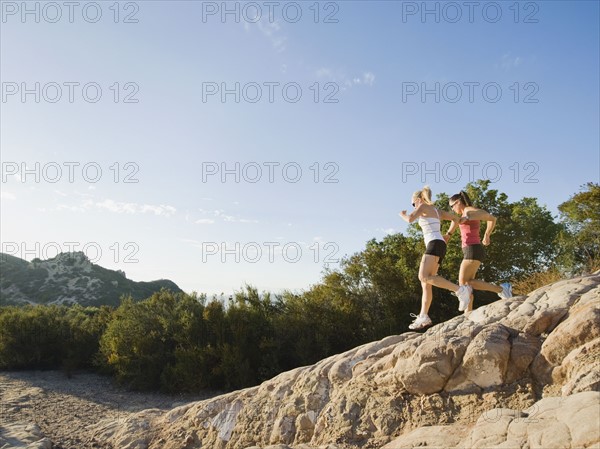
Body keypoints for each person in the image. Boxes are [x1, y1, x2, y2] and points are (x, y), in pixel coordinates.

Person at [400, 186, 473, 330]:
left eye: (413, 204)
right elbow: (455, 218)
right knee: (426, 283)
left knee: (423, 276)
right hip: (439, 244)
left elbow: (409, 219)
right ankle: (423, 316)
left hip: (434, 244)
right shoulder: (437, 211)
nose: (414, 206)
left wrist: (402, 214)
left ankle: (460, 290)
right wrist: (448, 234)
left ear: (418, 200)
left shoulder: (422, 207)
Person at [444, 190, 512, 313]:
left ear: (458, 202)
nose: (452, 209)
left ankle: (502, 289)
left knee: (463, 284)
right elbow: (491, 219)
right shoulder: (465, 212)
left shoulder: (469, 210)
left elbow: (490, 217)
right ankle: (468, 314)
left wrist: (485, 232)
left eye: (452, 206)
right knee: (468, 285)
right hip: (472, 249)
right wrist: (486, 235)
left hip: (472, 249)